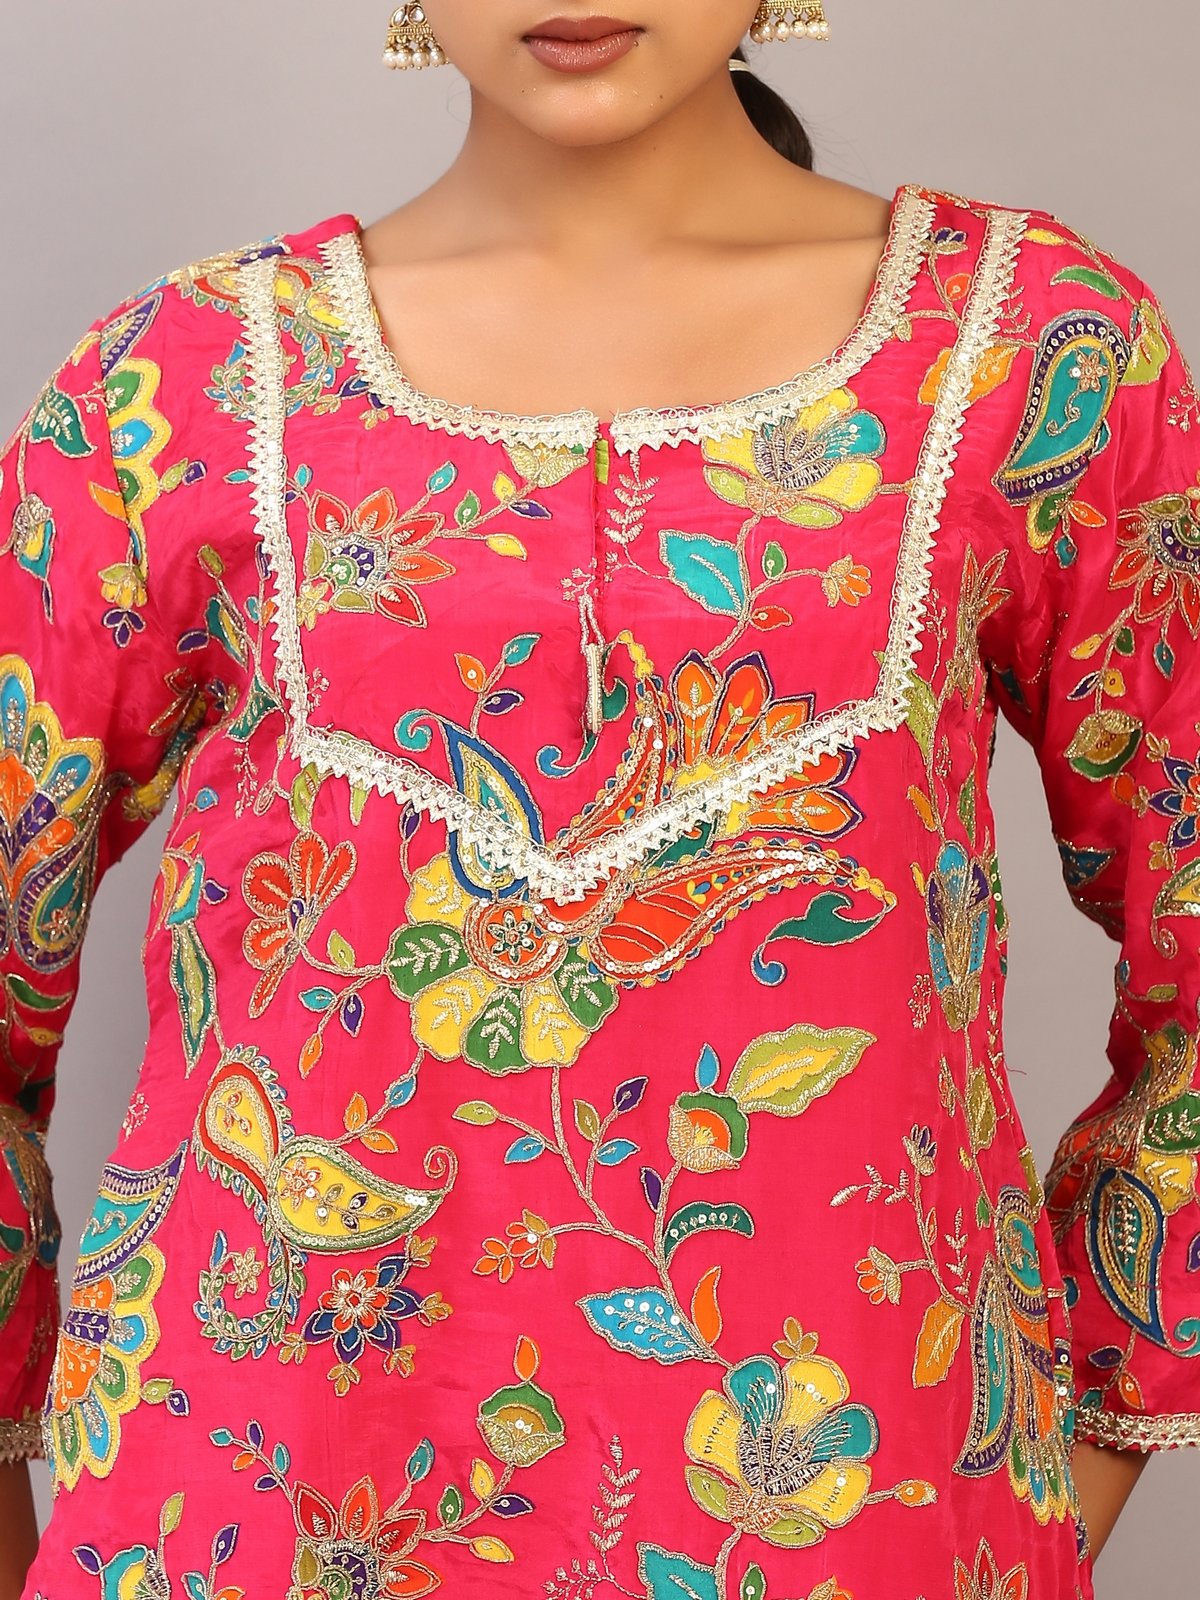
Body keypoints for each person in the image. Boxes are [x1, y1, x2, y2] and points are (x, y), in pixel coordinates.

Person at [1, 3, 1197, 1595]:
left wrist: (1043, 1492)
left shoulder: (1036, 353)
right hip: (256, 1527)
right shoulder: (177, 389)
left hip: (854, 1523)